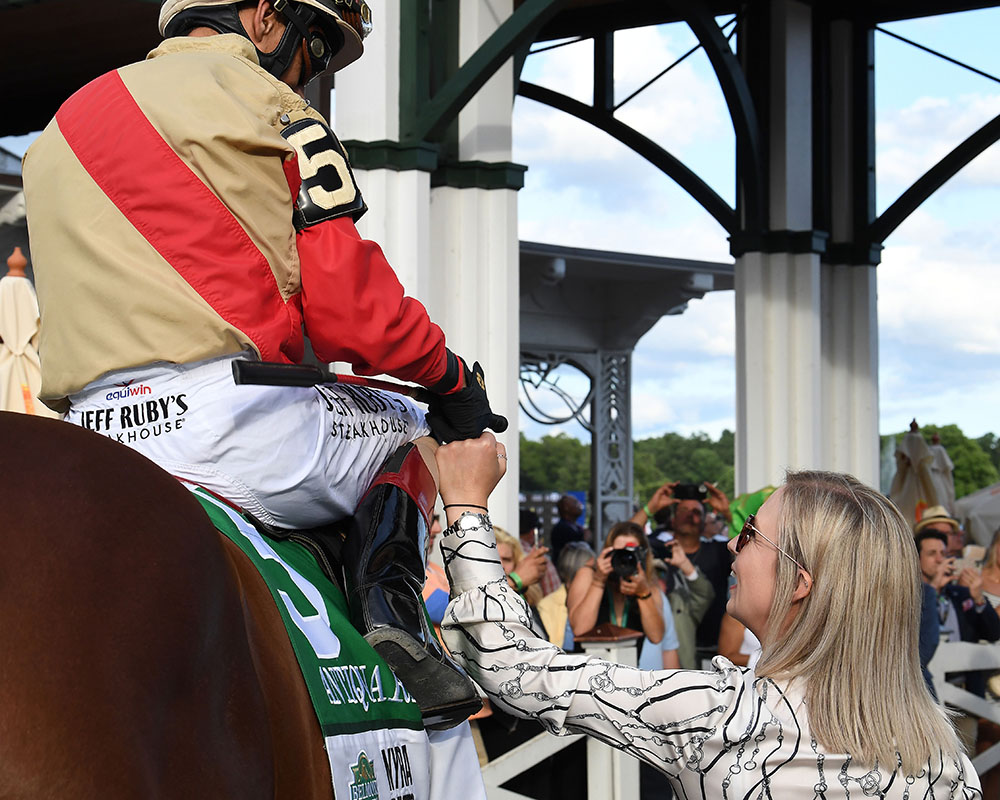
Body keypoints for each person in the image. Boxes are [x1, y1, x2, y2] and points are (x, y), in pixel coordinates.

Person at [21, 0, 507, 729]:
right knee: (409, 427)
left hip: (88, 434)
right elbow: (353, 315)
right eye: (315, 49)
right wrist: (452, 379)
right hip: (230, 426)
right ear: (265, 17)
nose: (310, 77)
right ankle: (396, 620)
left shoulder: (60, 125)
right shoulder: (277, 109)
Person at [434, 434, 982, 798]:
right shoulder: (947, 759)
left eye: (748, 534)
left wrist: (464, 506)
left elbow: (513, 669)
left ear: (801, 583)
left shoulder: (725, 717)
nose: (735, 552)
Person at [633, 481, 733, 658]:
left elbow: (749, 547)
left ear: (704, 521)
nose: (690, 516)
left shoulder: (718, 551)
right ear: (673, 518)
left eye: (696, 512)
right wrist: (650, 509)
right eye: (683, 510)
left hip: (713, 648)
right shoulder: (658, 549)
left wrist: (727, 513)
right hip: (668, 649)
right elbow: (625, 538)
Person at [915, 528, 1000, 697]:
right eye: (932, 554)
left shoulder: (959, 594)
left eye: (943, 553)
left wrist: (979, 599)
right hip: (928, 695)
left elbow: (994, 633)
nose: (940, 559)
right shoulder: (912, 598)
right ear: (917, 559)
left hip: (967, 694)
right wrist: (932, 590)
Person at [567, 521, 665, 655]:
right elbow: (580, 629)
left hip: (627, 671)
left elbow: (656, 637)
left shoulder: (648, 586)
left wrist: (643, 593)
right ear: (608, 551)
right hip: (588, 671)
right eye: (619, 553)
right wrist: (598, 582)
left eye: (630, 554)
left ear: (642, 556)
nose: (624, 560)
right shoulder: (588, 575)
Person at [549, 494, 589, 564]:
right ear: (566, 508)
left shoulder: (576, 527)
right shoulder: (560, 529)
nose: (580, 505)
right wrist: (584, 538)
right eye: (575, 503)